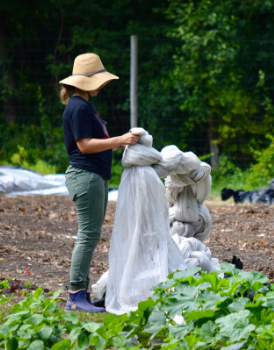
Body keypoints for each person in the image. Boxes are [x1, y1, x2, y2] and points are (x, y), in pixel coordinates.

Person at [59, 53, 141, 312]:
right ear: (85, 82)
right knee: (87, 235)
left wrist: (118, 144)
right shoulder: (79, 107)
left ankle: (81, 292)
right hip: (86, 176)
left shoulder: (85, 105)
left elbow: (94, 142)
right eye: (100, 81)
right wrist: (119, 141)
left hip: (94, 177)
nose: (103, 85)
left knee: (90, 235)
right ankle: (74, 296)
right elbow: (84, 146)